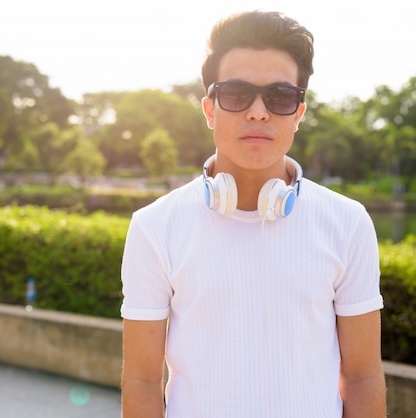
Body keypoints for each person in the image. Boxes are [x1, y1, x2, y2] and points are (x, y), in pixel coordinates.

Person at [120, 10, 386, 418]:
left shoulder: (348, 224)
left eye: (280, 96)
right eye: (236, 93)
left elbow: (364, 376)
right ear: (209, 109)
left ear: (298, 113)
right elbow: (141, 379)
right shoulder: (155, 227)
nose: (258, 112)